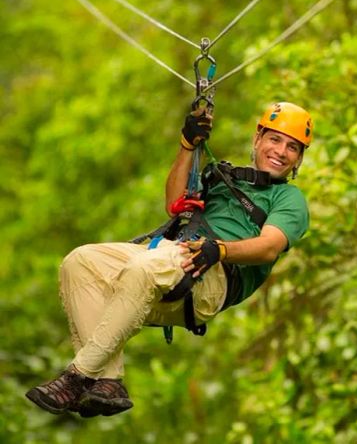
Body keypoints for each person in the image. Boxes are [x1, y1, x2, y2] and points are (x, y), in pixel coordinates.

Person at [25, 101, 312, 417]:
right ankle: (108, 382)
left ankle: (77, 376)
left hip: (212, 276)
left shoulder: (289, 199)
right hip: (171, 255)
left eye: (293, 147)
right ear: (258, 138)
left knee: (143, 267)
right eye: (275, 139)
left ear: (298, 159)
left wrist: (220, 249)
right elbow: (175, 203)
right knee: (80, 262)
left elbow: (269, 246)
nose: (281, 151)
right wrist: (187, 144)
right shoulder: (223, 176)